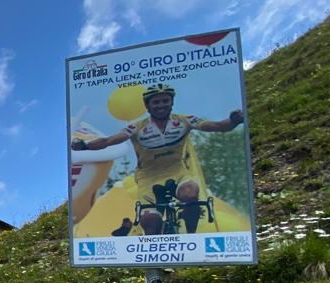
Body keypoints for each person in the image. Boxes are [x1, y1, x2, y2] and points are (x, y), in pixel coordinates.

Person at [71, 83, 243, 234]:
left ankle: (191, 235)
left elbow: (217, 126)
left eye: (165, 101)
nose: (161, 105)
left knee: (190, 194)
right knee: (151, 224)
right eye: (156, 102)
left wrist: (232, 121)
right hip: (148, 177)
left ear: (171, 102)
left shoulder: (185, 120)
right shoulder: (137, 127)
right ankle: (156, 262)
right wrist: (85, 146)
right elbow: (109, 141)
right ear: (148, 106)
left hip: (178, 171)